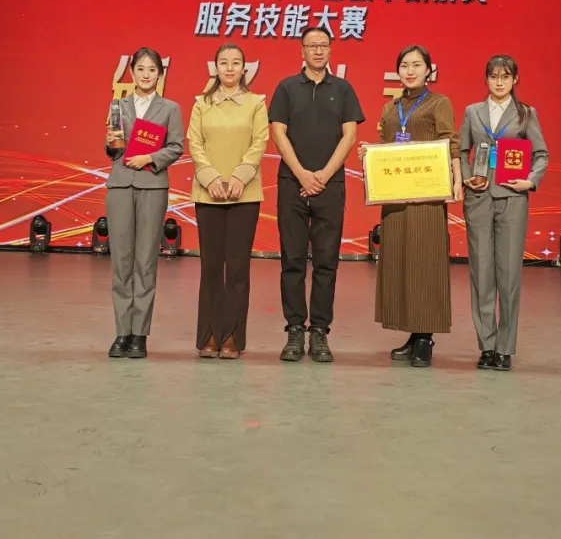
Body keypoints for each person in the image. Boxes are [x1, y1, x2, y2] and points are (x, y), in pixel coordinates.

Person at [358, 46, 463, 368]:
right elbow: (388, 149)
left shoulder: (439, 103)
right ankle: (412, 333)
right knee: (401, 264)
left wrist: (457, 180)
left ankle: (425, 339)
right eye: (404, 65)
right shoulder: (390, 108)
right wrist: (369, 154)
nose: (410, 71)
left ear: (428, 70)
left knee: (425, 263)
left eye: (417, 65)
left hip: (427, 198)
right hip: (395, 198)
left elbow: (450, 142)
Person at [269, 27, 365, 362]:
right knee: (292, 260)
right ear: (302, 51)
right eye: (312, 46)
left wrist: (323, 175)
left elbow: (349, 135)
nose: (318, 51)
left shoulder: (343, 89)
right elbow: (278, 133)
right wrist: (302, 174)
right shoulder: (286, 87)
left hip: (330, 186)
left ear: (331, 50)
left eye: (323, 45)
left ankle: (320, 331)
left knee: (326, 261)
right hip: (291, 184)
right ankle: (295, 329)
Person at [458, 54, 548, 371]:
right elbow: (461, 151)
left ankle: (505, 348)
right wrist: (467, 177)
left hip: (512, 198)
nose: (499, 82)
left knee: (508, 275)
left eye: (505, 76)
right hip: (479, 198)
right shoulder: (472, 112)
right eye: (494, 76)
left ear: (515, 80)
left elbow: (541, 154)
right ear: (486, 79)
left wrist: (530, 181)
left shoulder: (525, 114)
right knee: (481, 274)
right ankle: (487, 346)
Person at [187, 44, 269, 360]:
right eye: (224, 63)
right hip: (208, 194)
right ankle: (209, 334)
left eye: (236, 63)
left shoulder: (256, 103)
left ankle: (233, 335)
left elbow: (259, 142)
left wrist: (239, 176)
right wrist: (210, 178)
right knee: (210, 267)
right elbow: (195, 143)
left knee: (236, 267)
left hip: (243, 194)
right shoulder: (201, 104)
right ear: (216, 68)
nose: (230, 68)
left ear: (244, 69)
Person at [104, 47, 185, 360]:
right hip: (120, 185)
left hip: (152, 185)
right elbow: (111, 149)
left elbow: (176, 147)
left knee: (145, 261)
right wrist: (111, 142)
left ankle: (139, 334)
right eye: (141, 69)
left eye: (152, 69)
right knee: (121, 261)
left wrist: (149, 157)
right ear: (132, 72)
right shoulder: (117, 105)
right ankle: (121, 331)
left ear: (160, 75)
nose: (146, 74)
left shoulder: (170, 108)